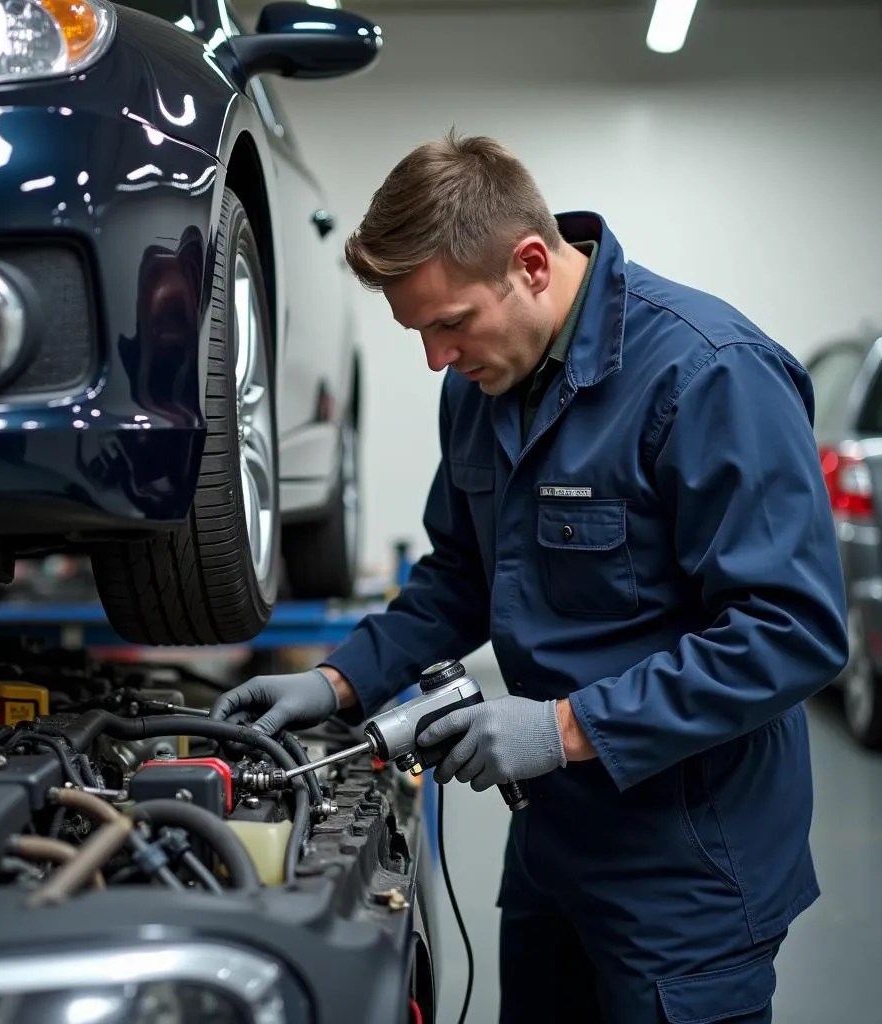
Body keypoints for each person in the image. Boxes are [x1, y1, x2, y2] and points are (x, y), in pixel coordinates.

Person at [211, 130, 849, 1023]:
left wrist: (564, 727)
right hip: (551, 842)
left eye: (449, 323)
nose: (436, 359)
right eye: (417, 333)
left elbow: (793, 633)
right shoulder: (479, 388)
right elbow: (462, 576)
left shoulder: (710, 375)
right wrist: (336, 680)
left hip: (689, 865)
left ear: (533, 264)